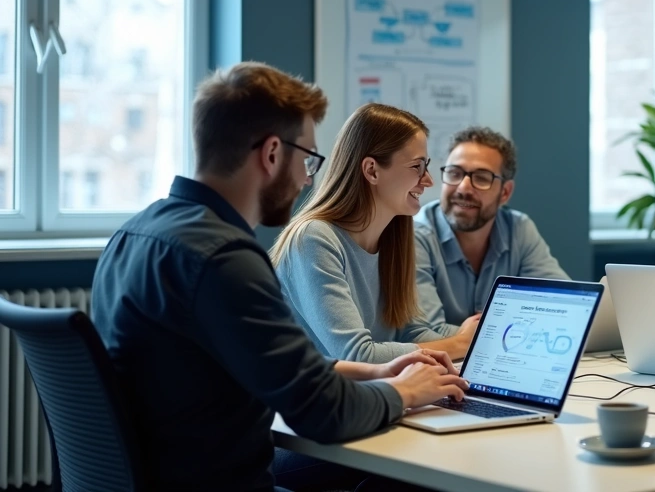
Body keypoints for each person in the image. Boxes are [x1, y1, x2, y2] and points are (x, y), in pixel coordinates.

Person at [91, 63, 468, 492]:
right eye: (307, 158)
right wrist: (406, 392)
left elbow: (269, 363)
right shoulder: (223, 259)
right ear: (272, 154)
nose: (308, 177)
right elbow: (324, 413)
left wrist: (373, 373)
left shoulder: (137, 233)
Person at [273, 104, 481, 362]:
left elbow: (411, 334)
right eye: (417, 166)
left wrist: (482, 336)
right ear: (371, 170)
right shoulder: (314, 239)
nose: (428, 180)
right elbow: (357, 355)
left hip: (372, 396)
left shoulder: (395, 239)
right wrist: (462, 343)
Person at [412, 126, 568, 335]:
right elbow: (425, 334)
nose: (463, 188)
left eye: (481, 178)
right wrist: (514, 330)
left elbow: (564, 309)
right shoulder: (415, 235)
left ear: (505, 192)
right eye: (454, 173)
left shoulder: (518, 229)